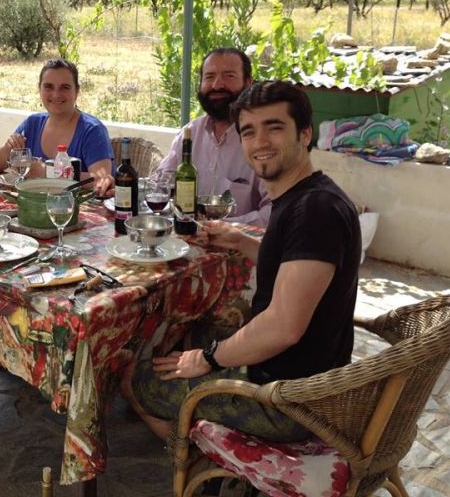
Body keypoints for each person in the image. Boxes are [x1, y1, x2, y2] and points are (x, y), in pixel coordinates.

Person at [123, 80, 362, 444]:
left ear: (305, 133)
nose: (260, 142)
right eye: (249, 132)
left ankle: (193, 451)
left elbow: (283, 327)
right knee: (178, 336)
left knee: (131, 376)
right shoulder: (307, 197)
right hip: (297, 371)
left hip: (286, 401)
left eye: (274, 127)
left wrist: (207, 359)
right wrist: (242, 241)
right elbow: (291, 261)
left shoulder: (315, 212)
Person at [152, 48, 271, 226]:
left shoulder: (263, 141)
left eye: (229, 76)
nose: (217, 85)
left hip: (239, 241)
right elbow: (159, 184)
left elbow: (274, 210)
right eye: (209, 77)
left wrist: (227, 227)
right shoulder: (190, 133)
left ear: (248, 84)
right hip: (185, 236)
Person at [0, 58, 114, 195]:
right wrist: (8, 148)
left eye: (65, 87)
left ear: (77, 91)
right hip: (34, 203)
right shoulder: (32, 124)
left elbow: (101, 179)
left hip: (75, 206)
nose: (56, 94)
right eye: (49, 87)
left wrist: (48, 173)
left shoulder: (92, 130)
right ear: (40, 90)